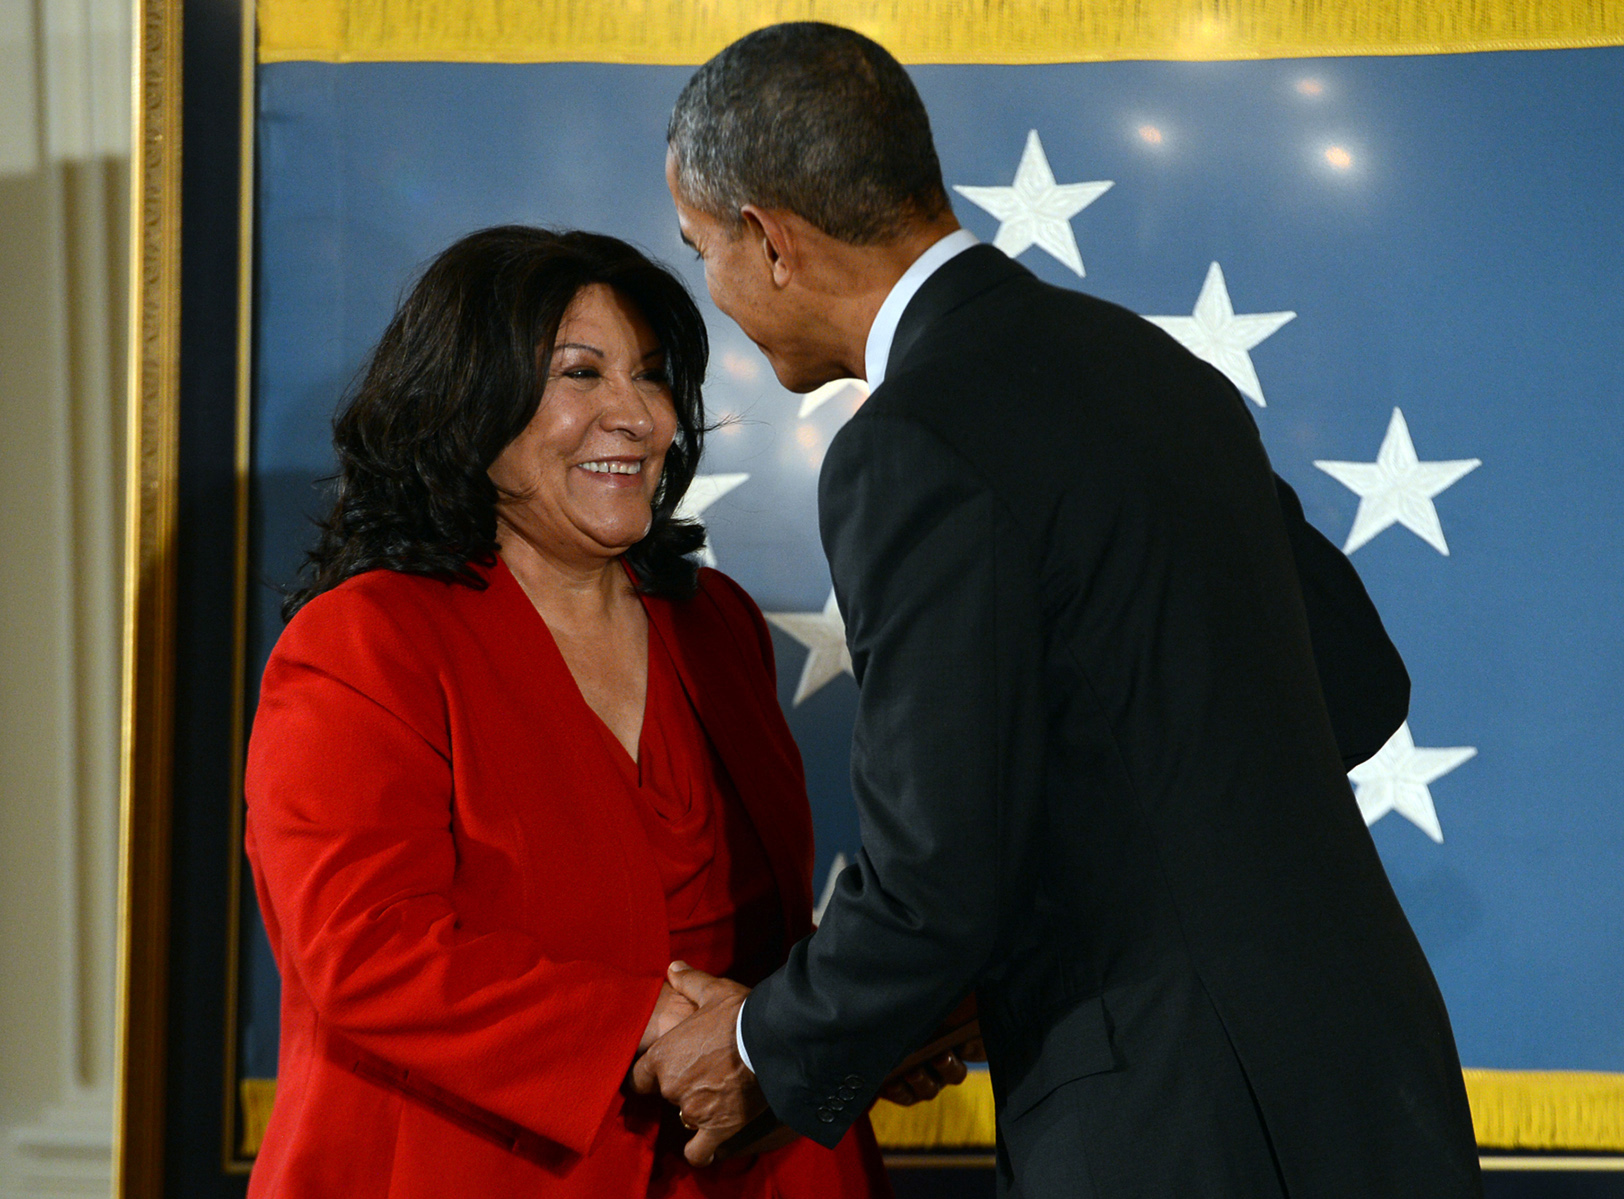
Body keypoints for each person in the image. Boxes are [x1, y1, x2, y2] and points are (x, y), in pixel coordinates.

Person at [633, 23, 1486, 1198]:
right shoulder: (1150, 365)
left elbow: (937, 876)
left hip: (1177, 1119)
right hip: (1371, 1076)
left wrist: (753, 1047)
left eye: (701, 251)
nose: (715, 291)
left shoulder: (910, 441)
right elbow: (1354, 685)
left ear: (771, 241)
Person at [242, 226, 891, 1198]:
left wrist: (859, 1027)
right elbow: (365, 950)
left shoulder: (715, 623)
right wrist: (651, 1023)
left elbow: (771, 933)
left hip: (748, 1162)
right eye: (581, 374)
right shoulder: (365, 640)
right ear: (468, 400)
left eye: (654, 375)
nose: (636, 414)